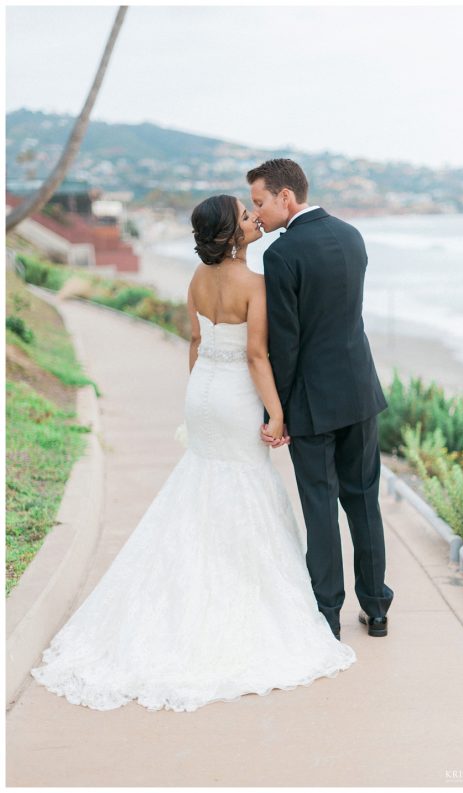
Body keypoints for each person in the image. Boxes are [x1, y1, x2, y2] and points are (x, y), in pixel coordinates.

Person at [30, 194, 356, 714]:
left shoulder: (197, 280)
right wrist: (275, 413)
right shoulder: (255, 284)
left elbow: (194, 341)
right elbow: (255, 355)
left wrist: (197, 397)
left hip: (202, 391)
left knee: (201, 484)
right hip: (235, 396)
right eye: (245, 216)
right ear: (231, 234)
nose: (254, 219)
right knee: (243, 486)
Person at [247, 159, 394, 640]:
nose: (259, 214)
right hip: (360, 390)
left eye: (260, 202)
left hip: (313, 400)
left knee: (320, 507)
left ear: (286, 196)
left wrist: (278, 409)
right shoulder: (353, 236)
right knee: (364, 501)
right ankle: (376, 608)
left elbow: (284, 343)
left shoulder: (281, 255)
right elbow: (348, 316)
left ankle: (327, 615)